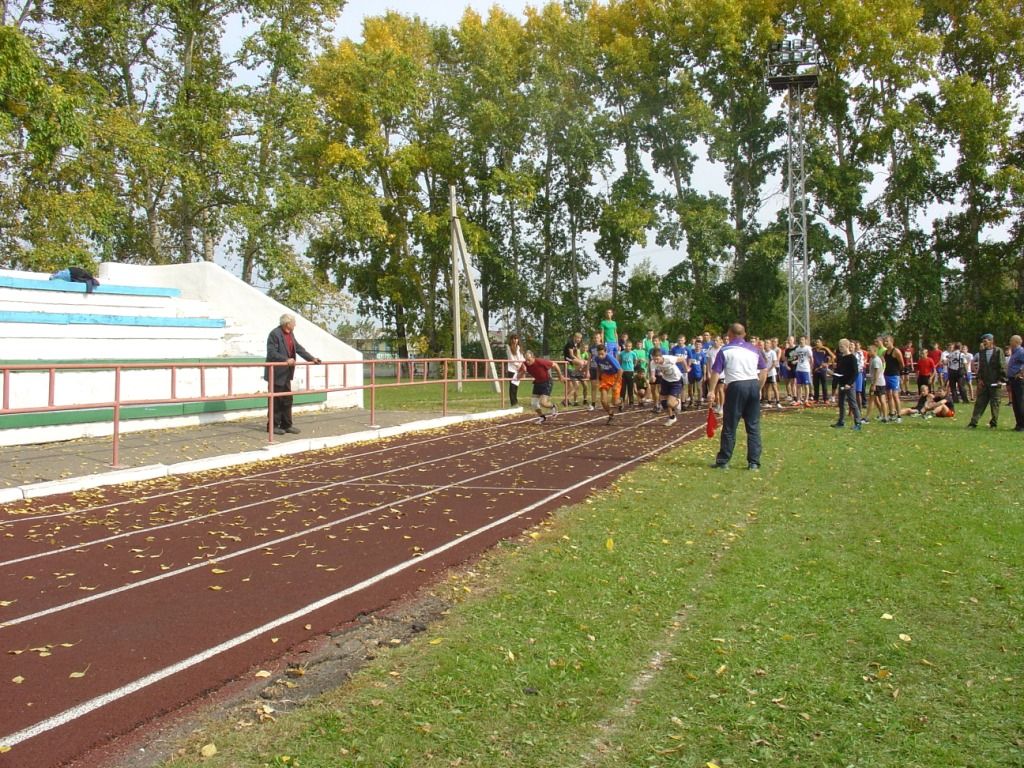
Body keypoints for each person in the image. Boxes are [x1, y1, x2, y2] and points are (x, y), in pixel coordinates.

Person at [708, 323, 769, 469]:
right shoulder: (755, 350)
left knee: (730, 425)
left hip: (736, 386)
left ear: (729, 334)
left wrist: (711, 390)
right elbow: (764, 370)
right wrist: (758, 388)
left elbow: (716, 372)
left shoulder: (725, 350)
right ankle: (753, 462)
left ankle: (724, 461)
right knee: (753, 426)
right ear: (744, 334)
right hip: (752, 384)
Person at [265, 313, 321, 435]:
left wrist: (312, 359)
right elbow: (271, 353)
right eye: (293, 322)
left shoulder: (290, 334)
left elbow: (298, 348)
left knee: (287, 399)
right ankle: (272, 426)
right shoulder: (275, 334)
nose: (295, 324)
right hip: (276, 374)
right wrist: (286, 359)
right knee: (276, 400)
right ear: (287, 323)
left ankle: (287, 425)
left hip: (286, 374)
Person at [967, 333, 1005, 429]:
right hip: (984, 382)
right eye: (983, 341)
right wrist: (979, 379)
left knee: (995, 404)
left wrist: (1001, 379)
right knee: (980, 403)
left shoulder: (998, 351)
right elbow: (981, 368)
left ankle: (993, 424)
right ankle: (973, 422)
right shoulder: (981, 353)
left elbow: (1002, 366)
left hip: (995, 382)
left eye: (986, 341)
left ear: (991, 341)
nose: (984, 343)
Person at [520, 350, 562, 423]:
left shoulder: (540, 362)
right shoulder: (524, 364)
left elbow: (555, 365)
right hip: (537, 383)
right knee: (534, 404)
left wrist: (560, 376)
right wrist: (523, 371)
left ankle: (553, 406)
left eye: (529, 360)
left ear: (533, 357)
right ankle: (542, 417)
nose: (527, 362)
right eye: (526, 360)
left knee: (543, 403)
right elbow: (520, 376)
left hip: (547, 382)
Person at [649, 347, 687, 425]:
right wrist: (653, 377)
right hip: (665, 380)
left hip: (676, 381)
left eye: (657, 359)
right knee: (663, 403)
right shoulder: (653, 362)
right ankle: (671, 418)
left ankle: (678, 402)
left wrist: (686, 369)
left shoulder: (669, 359)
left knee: (670, 403)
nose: (656, 361)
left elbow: (682, 359)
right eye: (654, 359)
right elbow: (652, 373)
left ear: (661, 356)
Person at [831, 338, 863, 430]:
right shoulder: (841, 357)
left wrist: (849, 383)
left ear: (847, 346)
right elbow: (839, 371)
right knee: (841, 403)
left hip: (849, 384)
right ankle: (841, 422)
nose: (840, 348)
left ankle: (858, 423)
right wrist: (833, 373)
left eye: (842, 346)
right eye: (839, 346)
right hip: (842, 383)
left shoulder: (852, 358)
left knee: (853, 403)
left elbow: (855, 372)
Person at [593, 344, 623, 425]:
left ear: (606, 352)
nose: (600, 356)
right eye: (599, 354)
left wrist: (616, 384)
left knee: (615, 402)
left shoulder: (610, 358)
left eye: (602, 354)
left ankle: (620, 402)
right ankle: (610, 414)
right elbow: (598, 368)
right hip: (605, 377)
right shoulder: (597, 359)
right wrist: (597, 378)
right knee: (603, 400)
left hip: (615, 377)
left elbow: (620, 370)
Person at [882, 336, 904, 423]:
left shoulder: (896, 351)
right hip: (886, 374)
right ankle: (891, 413)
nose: (885, 343)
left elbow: (901, 363)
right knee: (889, 395)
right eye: (885, 341)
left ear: (892, 342)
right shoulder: (885, 352)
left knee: (895, 395)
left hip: (894, 375)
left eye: (887, 341)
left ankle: (899, 415)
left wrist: (900, 374)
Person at [1005, 334, 1024, 432]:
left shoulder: (1021, 352)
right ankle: (1019, 424)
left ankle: (1022, 425)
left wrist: (1021, 373)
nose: (1010, 343)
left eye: (1011, 341)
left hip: (1019, 381)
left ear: (1016, 342)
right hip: (1012, 380)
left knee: (1020, 402)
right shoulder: (1014, 352)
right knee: (1015, 403)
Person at [562, 332, 586, 407]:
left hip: (573, 360)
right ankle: (574, 373)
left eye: (580, 338)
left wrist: (582, 360)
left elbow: (578, 354)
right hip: (568, 358)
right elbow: (571, 355)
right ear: (574, 337)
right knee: (581, 363)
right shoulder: (570, 343)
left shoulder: (578, 344)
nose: (579, 339)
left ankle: (566, 399)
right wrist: (580, 361)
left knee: (583, 363)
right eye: (577, 338)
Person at [505, 333, 526, 407]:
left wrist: (521, 364)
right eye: (513, 338)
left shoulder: (519, 348)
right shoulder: (508, 347)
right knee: (512, 386)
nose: (515, 340)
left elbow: (522, 357)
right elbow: (511, 359)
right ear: (511, 340)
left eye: (516, 338)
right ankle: (513, 403)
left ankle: (515, 402)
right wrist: (518, 365)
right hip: (512, 369)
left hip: (519, 369)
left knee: (516, 386)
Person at [793, 335, 814, 406]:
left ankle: (806, 400)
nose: (801, 341)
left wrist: (811, 368)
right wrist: (794, 361)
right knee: (798, 385)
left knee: (806, 385)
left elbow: (811, 359)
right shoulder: (797, 349)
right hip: (799, 369)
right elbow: (795, 357)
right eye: (800, 339)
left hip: (806, 369)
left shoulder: (808, 348)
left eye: (802, 339)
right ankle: (799, 400)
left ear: (805, 340)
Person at [618, 340, 637, 409]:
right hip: (623, 372)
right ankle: (622, 402)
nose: (628, 348)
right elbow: (619, 361)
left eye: (629, 346)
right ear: (624, 346)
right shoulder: (622, 353)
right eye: (626, 346)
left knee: (630, 388)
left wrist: (632, 367)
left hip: (630, 371)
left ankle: (631, 402)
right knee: (622, 388)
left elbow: (635, 361)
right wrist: (621, 369)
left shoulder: (633, 353)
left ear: (631, 347)